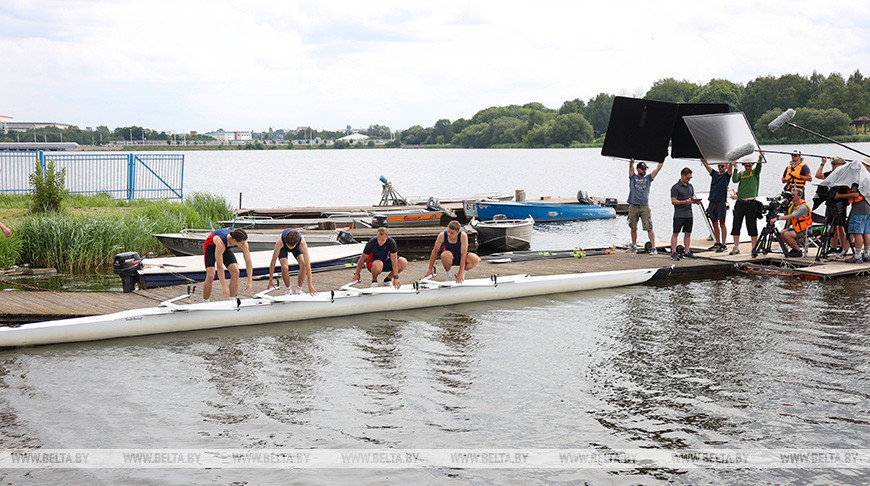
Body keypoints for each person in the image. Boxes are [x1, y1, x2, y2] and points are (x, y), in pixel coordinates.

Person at [203, 228, 253, 301]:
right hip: (210, 248)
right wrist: (224, 286)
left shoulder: (243, 243)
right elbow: (220, 267)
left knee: (235, 271)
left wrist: (250, 281)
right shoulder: (221, 243)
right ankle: (205, 301)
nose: (244, 244)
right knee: (211, 274)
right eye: (242, 243)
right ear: (235, 241)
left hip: (225, 248)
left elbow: (248, 262)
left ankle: (232, 299)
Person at [626, 158, 664, 254]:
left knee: (649, 227)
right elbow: (631, 168)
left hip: (644, 207)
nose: (644, 171)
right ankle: (634, 246)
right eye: (643, 169)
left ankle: (654, 248)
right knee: (633, 227)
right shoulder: (633, 177)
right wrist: (631, 162)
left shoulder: (648, 179)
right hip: (633, 206)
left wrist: (662, 159)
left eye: (645, 169)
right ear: (638, 169)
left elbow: (658, 169)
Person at [835, 157, 870, 263]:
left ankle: (858, 255)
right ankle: (867, 254)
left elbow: (855, 194)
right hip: (868, 207)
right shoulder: (869, 178)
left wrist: (840, 196)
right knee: (866, 232)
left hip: (859, 208)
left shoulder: (860, 178)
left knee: (857, 232)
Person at [729, 152, 764, 254]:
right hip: (740, 202)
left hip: (751, 203)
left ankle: (754, 247)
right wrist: (735, 167)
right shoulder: (742, 174)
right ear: (744, 166)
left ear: (752, 165)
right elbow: (735, 180)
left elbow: (759, 166)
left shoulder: (755, 173)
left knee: (752, 224)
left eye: (749, 166)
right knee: (736, 224)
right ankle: (736, 247)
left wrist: (760, 157)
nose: (748, 167)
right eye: (746, 166)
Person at [815, 156, 849, 257]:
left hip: (841, 203)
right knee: (832, 225)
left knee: (840, 225)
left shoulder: (846, 174)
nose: (833, 166)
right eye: (832, 164)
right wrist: (822, 163)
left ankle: (842, 247)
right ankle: (833, 247)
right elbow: (818, 175)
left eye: (835, 164)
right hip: (830, 202)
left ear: (841, 165)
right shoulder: (830, 173)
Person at [266, 228, 316, 295]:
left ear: (297, 243)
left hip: (296, 248)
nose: (290, 248)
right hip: (283, 248)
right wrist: (270, 279)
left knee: (303, 264)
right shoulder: (280, 242)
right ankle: (288, 290)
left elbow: (308, 265)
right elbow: (273, 261)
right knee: (284, 267)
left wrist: (310, 285)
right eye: (288, 245)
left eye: (291, 246)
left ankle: (299, 290)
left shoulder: (302, 243)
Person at [769, 186, 812, 258]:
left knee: (787, 235)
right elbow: (787, 215)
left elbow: (791, 216)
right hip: (796, 228)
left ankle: (798, 251)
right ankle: (794, 248)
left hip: (804, 229)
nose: (791, 197)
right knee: (781, 234)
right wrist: (784, 206)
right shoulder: (792, 205)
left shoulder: (802, 207)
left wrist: (777, 218)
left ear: (799, 196)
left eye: (793, 195)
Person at [700, 158, 733, 252]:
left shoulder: (726, 175)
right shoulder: (714, 174)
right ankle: (717, 242)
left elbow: (730, 169)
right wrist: (703, 160)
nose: (719, 167)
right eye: (718, 166)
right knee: (714, 222)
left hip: (721, 202)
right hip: (712, 201)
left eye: (722, 166)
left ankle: (724, 244)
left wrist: (731, 162)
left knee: (722, 223)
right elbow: (707, 167)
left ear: (726, 167)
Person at [670, 167, 702, 261]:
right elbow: (673, 201)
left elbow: (691, 198)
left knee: (688, 233)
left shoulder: (690, 186)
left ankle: (687, 251)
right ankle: (674, 252)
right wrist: (684, 202)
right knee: (676, 233)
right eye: (688, 178)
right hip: (679, 214)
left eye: (690, 178)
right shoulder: (675, 187)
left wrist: (695, 201)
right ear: (682, 176)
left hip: (689, 214)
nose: (689, 180)